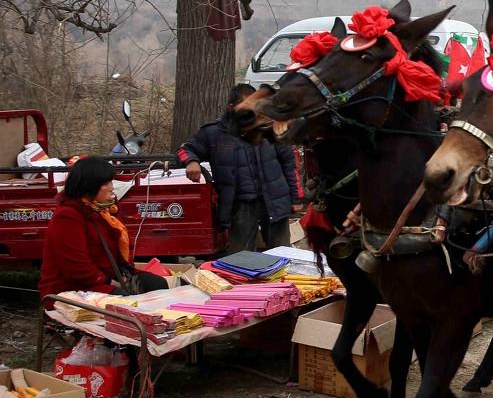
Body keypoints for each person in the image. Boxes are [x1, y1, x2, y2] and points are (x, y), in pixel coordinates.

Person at [181, 84, 302, 254]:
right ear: (231, 108)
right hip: (239, 205)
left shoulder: (270, 127)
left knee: (282, 254)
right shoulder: (214, 133)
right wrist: (191, 162)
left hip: (274, 200)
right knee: (241, 258)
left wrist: (296, 199)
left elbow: (289, 163)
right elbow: (185, 150)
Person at [39, 157, 170, 299]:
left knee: (157, 284)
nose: (112, 187)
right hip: (74, 287)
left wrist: (125, 274)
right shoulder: (67, 216)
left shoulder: (101, 210)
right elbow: (76, 267)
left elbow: (114, 252)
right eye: (107, 183)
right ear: (91, 186)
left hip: (105, 276)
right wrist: (111, 282)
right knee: (125, 300)